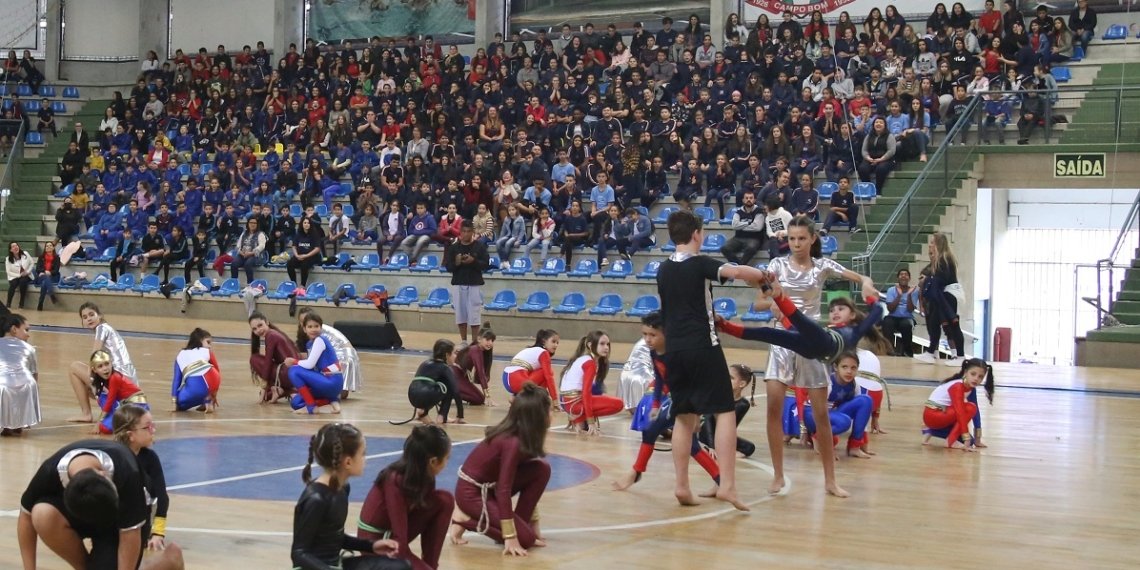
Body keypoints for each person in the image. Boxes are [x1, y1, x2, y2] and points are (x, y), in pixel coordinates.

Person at [749, 215, 875, 498]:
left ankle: (830, 480)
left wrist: (866, 282)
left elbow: (858, 276)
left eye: (801, 238)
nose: (796, 244)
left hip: (812, 342)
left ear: (812, 239)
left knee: (821, 414)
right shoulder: (776, 265)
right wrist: (772, 304)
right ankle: (778, 475)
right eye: (792, 238)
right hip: (782, 341)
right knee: (773, 408)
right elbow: (758, 301)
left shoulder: (822, 266)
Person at [656, 209, 770, 510]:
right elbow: (735, 271)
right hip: (702, 346)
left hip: (674, 350)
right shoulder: (700, 263)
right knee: (725, 412)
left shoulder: (662, 269)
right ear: (697, 234)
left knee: (684, 418)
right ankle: (728, 486)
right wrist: (761, 275)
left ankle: (682, 486)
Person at [18, 438, 184, 570]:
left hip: (125, 520)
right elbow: (25, 517)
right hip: (89, 508)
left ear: (105, 474)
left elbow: (130, 535)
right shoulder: (50, 470)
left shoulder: (128, 473)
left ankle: (170, 560)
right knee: (42, 513)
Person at [613, 313, 723, 492]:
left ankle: (636, 471)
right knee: (687, 444)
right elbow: (659, 377)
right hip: (677, 397)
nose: (647, 339)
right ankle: (721, 480)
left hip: (690, 400)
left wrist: (698, 417)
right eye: (645, 334)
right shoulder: (654, 351)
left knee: (674, 439)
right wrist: (656, 404)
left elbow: (698, 384)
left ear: (667, 334)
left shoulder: (679, 354)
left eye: (653, 335)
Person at [448, 383, 551, 556]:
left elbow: (527, 482)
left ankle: (517, 529)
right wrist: (511, 536)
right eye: (549, 411)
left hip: (490, 489)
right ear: (537, 417)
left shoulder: (523, 437)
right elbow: (504, 489)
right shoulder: (512, 442)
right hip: (471, 493)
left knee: (541, 469)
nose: (551, 415)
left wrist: (533, 524)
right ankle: (464, 519)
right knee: (525, 540)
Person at [292, 423, 409, 569]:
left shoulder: (342, 488)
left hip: (335, 564)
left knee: (401, 566)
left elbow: (334, 538)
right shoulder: (316, 499)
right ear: (348, 462)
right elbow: (298, 553)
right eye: (363, 454)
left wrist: (371, 546)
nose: (365, 459)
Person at [717, 278, 886, 365]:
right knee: (768, 333)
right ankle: (724, 327)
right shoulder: (829, 328)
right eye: (833, 310)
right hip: (812, 349)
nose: (835, 312)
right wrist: (782, 319)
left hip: (826, 345)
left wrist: (869, 296)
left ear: (852, 316)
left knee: (800, 319)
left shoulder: (856, 332)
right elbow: (795, 331)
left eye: (841, 309)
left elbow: (877, 310)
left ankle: (776, 293)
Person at [359, 425, 454, 570]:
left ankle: (431, 565)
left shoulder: (427, 476)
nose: (448, 463)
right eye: (447, 458)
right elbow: (400, 541)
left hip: (394, 537)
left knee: (445, 500)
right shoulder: (394, 479)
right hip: (375, 543)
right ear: (433, 461)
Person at [787, 351, 876, 459]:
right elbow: (818, 411)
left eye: (853, 368)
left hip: (832, 415)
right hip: (812, 415)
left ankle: (854, 447)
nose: (849, 371)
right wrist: (805, 432)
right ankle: (818, 438)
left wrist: (864, 441)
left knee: (866, 400)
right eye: (844, 367)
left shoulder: (854, 384)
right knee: (844, 421)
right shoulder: (827, 383)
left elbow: (862, 414)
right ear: (835, 367)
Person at [111, 405, 173, 552]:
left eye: (153, 426)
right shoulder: (111, 458)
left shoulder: (150, 458)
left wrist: (158, 533)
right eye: (148, 427)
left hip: (140, 518)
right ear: (130, 435)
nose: (153, 430)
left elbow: (161, 498)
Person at [67, 302, 138, 423]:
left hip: (120, 378)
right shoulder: (107, 329)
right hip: (128, 383)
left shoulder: (102, 328)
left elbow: (94, 356)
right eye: (85, 317)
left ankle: (87, 414)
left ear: (99, 315)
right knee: (89, 386)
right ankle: (115, 405)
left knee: (74, 368)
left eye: (91, 314)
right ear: (82, 322)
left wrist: (91, 378)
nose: (89, 319)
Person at [915, 232, 967, 366]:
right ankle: (931, 352)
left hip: (948, 295)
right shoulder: (938, 260)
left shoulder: (945, 259)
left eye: (932, 243)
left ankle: (960, 356)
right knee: (933, 323)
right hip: (942, 295)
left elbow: (940, 280)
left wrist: (927, 280)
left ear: (938, 244)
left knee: (953, 324)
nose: (930, 245)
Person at [559, 330, 623, 434]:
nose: (606, 347)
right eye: (602, 344)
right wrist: (590, 421)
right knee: (618, 404)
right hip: (574, 403)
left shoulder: (582, 358)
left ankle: (578, 420)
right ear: (590, 345)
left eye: (608, 344)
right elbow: (586, 392)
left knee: (598, 391)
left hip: (567, 402)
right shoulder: (589, 363)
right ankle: (579, 417)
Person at [923, 358, 995, 450]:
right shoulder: (958, 386)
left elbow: (975, 413)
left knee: (971, 409)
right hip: (934, 416)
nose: (976, 378)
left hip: (941, 414)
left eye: (980, 376)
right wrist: (966, 439)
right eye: (973, 374)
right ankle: (950, 441)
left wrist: (977, 439)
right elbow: (960, 412)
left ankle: (930, 431)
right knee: (969, 408)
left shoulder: (970, 387)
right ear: (965, 372)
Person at [285, 311, 344, 414]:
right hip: (324, 381)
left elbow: (309, 364)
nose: (313, 329)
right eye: (310, 326)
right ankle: (331, 401)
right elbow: (312, 368)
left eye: (316, 326)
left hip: (331, 381)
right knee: (296, 403)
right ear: (304, 329)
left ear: (321, 328)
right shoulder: (309, 344)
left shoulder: (320, 340)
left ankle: (311, 407)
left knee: (293, 370)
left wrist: (294, 361)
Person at [297, 307, 362, 398]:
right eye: (302, 321)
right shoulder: (313, 331)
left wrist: (295, 360)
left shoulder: (317, 334)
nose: (305, 322)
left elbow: (310, 359)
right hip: (346, 355)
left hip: (343, 356)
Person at [697, 363, 757, 459]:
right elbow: (708, 419)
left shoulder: (743, 404)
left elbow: (731, 426)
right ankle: (709, 447)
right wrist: (712, 446)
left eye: (730, 378)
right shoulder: (718, 395)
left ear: (742, 384)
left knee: (749, 447)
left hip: (721, 434)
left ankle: (719, 451)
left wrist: (726, 443)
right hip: (705, 432)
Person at [89, 349, 149, 435]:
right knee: (101, 397)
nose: (105, 368)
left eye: (107, 364)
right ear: (94, 370)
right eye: (100, 366)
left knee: (104, 428)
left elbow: (110, 401)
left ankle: (133, 423)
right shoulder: (104, 380)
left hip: (137, 406)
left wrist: (98, 423)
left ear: (111, 363)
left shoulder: (114, 377)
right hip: (126, 405)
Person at [448, 221, 489, 343]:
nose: (466, 234)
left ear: (472, 232)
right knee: (460, 314)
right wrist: (456, 262)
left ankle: (475, 341)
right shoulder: (454, 248)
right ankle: (464, 341)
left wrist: (473, 261)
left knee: (474, 314)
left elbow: (486, 264)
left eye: (468, 231)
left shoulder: (479, 246)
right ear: (460, 232)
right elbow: (448, 267)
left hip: (474, 282)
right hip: (458, 282)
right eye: (463, 231)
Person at [0, 313, 39, 435]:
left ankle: (6, 424)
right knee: (28, 384)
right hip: (27, 383)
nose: (28, 334)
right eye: (26, 329)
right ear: (14, 329)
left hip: (3, 384)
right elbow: (34, 373)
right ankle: (20, 423)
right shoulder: (29, 348)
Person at [249, 311, 298, 404]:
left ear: (267, 322)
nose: (258, 330)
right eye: (254, 329)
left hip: (289, 374)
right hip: (293, 375)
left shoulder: (271, 335)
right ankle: (287, 391)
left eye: (260, 325)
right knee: (268, 395)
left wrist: (264, 387)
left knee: (254, 359)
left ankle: (290, 390)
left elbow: (267, 363)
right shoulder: (275, 333)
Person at [414, 339, 465, 424]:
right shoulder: (445, 368)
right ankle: (441, 416)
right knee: (449, 387)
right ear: (447, 355)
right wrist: (460, 415)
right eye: (454, 353)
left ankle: (423, 411)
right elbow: (456, 391)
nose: (455, 356)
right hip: (424, 394)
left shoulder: (425, 362)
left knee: (436, 384)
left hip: (412, 394)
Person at [171, 328, 221, 412]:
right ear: (200, 340)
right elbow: (217, 372)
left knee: (180, 404)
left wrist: (174, 401)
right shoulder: (207, 352)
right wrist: (214, 395)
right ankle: (207, 400)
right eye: (208, 342)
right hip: (213, 377)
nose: (210, 346)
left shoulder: (180, 355)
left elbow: (177, 381)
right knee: (204, 389)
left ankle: (204, 399)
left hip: (197, 386)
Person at [502, 329, 559, 400]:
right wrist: (555, 399)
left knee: (541, 371)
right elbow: (549, 377)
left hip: (506, 378)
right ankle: (536, 400)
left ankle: (516, 397)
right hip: (516, 379)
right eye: (553, 341)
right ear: (544, 341)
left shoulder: (531, 350)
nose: (556, 345)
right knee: (547, 372)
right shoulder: (544, 353)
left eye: (557, 343)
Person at [720, 190, 765, 265]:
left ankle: (740, 266)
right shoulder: (738, 212)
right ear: (743, 200)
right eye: (746, 198)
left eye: (751, 198)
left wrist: (741, 226)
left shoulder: (759, 211)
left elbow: (757, 227)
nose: (749, 200)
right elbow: (734, 226)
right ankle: (738, 265)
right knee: (724, 248)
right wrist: (749, 223)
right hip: (738, 238)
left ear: (754, 200)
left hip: (754, 239)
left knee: (751, 248)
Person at [452, 329, 496, 406]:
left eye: (492, 340)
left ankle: (450, 391)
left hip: (460, 375)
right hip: (454, 375)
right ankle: (447, 392)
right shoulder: (475, 349)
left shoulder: (478, 350)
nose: (490, 343)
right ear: (479, 339)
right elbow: (481, 373)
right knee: (479, 399)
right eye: (488, 340)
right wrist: (488, 396)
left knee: (479, 399)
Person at [883, 269, 920, 356]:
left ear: (909, 278)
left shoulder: (914, 291)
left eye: (906, 274)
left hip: (907, 317)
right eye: (901, 274)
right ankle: (889, 350)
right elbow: (890, 309)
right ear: (898, 278)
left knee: (906, 324)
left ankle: (907, 352)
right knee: (887, 322)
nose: (903, 276)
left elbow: (910, 310)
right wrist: (899, 296)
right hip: (893, 316)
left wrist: (909, 295)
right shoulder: (891, 290)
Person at [230, 217, 267, 284]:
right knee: (234, 264)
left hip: (255, 255)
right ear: (248, 224)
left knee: (248, 264)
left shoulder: (260, 234)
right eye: (251, 223)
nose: (252, 224)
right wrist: (241, 252)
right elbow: (238, 245)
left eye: (254, 223)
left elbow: (262, 246)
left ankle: (250, 284)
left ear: (257, 224)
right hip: (243, 254)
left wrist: (251, 253)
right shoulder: (244, 233)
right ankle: (234, 283)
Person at [33, 240, 61, 311]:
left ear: (53, 248)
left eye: (50, 246)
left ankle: (40, 303)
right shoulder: (41, 257)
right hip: (41, 277)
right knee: (45, 278)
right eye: (47, 246)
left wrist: (50, 272)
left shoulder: (57, 258)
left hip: (53, 277)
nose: (48, 247)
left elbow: (56, 270)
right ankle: (51, 294)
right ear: (45, 248)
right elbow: (37, 269)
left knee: (44, 283)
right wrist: (43, 272)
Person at [6, 242, 33, 310]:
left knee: (23, 282)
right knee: (13, 284)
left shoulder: (25, 253)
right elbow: (8, 272)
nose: (15, 247)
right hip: (14, 276)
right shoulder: (8, 259)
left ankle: (21, 303)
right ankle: (8, 304)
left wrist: (27, 272)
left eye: (16, 245)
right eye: (13, 246)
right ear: (11, 250)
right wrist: (18, 275)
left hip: (26, 275)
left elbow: (32, 263)